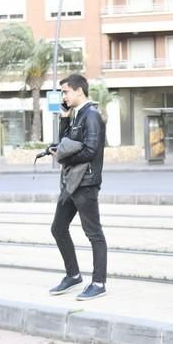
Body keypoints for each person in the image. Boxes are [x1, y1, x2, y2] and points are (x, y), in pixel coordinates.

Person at [48, 73, 109, 301]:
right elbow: (66, 143)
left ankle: (99, 282)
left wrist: (63, 158)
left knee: (94, 234)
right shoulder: (76, 115)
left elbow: (91, 151)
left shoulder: (91, 115)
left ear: (78, 91)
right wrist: (64, 118)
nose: (63, 95)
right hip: (72, 183)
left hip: (86, 183)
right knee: (58, 228)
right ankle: (73, 275)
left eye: (65, 91)